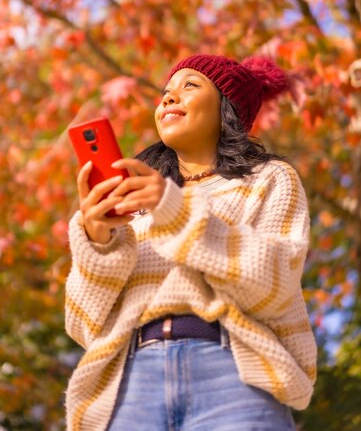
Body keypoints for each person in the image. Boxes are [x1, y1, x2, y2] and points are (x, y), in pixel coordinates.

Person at [64, 53, 317, 431]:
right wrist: (98, 241)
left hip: (233, 373)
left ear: (226, 109)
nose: (168, 98)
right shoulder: (134, 202)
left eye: (190, 86)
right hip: (130, 386)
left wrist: (173, 211)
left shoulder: (270, 179)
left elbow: (276, 285)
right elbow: (83, 325)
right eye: (166, 92)